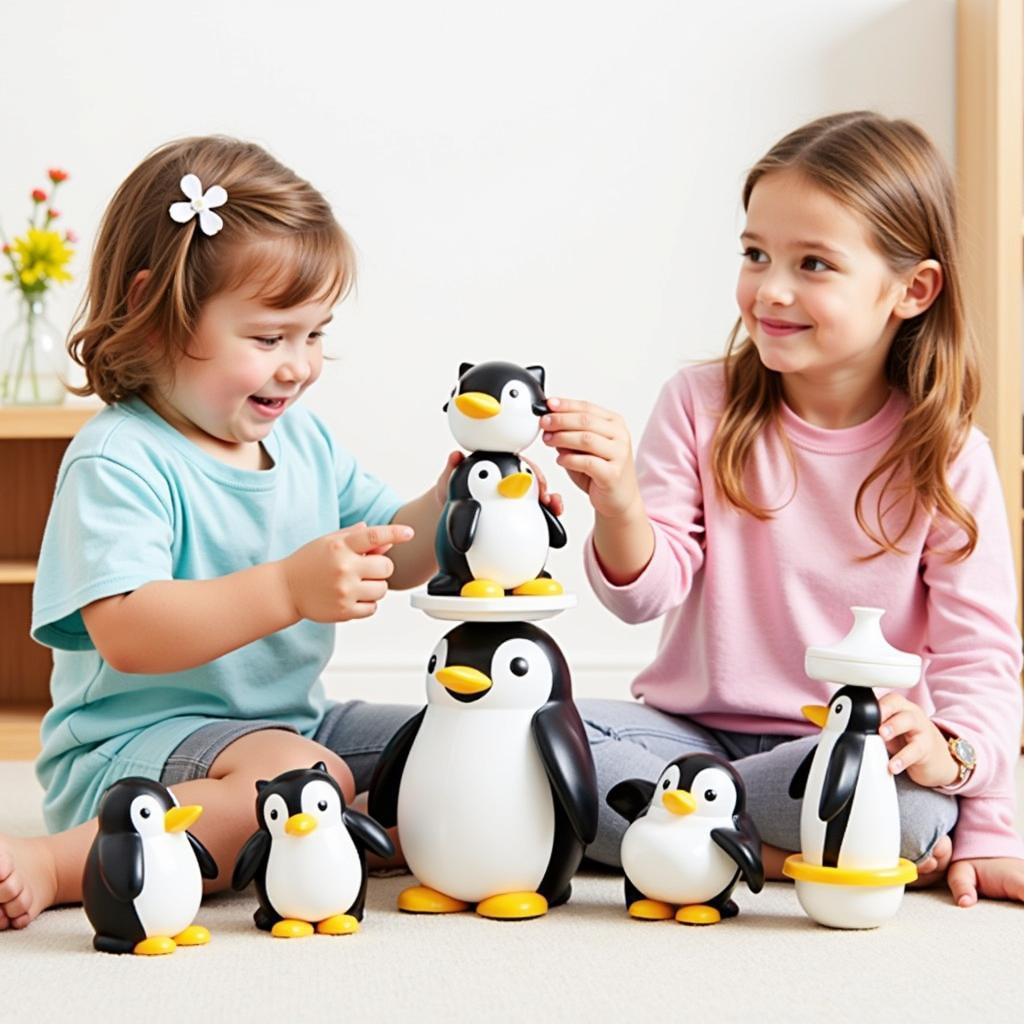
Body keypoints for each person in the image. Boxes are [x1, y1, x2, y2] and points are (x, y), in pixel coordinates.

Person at [542, 111, 1024, 908]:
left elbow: (982, 657)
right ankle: (760, 850)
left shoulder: (949, 455)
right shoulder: (701, 404)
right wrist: (619, 500)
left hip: (835, 750)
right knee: (547, 739)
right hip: (686, 733)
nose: (770, 289)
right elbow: (643, 595)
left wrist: (983, 806)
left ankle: (684, 838)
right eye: (756, 253)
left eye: (814, 264)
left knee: (903, 804)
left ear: (913, 289)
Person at [0, 136, 467, 930]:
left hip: (290, 730)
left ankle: (347, 830)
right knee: (301, 778)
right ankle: (65, 860)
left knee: (455, 739)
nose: (299, 366)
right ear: (158, 314)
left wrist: (459, 501)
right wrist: (288, 588)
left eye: (314, 335)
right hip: (133, 752)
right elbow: (129, 633)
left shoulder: (305, 444)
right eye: (269, 337)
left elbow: (397, 550)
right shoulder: (122, 456)